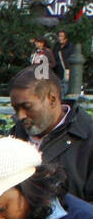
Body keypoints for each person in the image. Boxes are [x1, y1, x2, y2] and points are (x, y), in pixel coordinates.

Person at [9, 66, 93, 201]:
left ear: (52, 99)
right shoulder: (16, 134)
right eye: (16, 108)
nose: (20, 116)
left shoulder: (87, 138)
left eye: (27, 107)